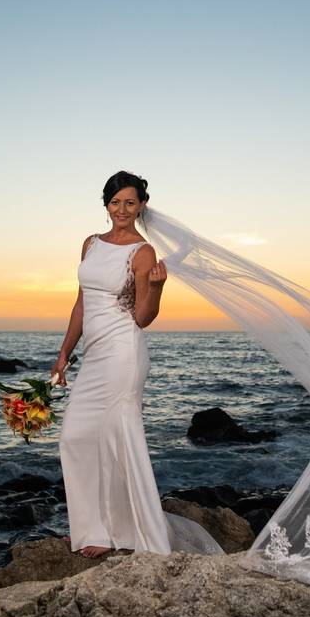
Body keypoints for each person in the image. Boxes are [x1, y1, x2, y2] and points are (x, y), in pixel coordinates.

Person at [51, 171, 223, 559]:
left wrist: (159, 287)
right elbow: (82, 302)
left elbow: (143, 316)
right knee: (74, 437)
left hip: (123, 354)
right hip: (93, 355)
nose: (122, 210)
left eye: (130, 203)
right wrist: (64, 354)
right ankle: (89, 529)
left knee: (117, 441)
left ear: (141, 206)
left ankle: (117, 534)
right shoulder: (90, 244)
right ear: (106, 205)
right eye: (115, 202)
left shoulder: (142, 252)